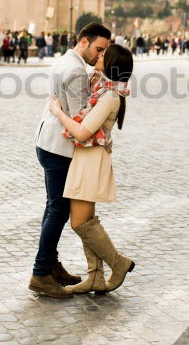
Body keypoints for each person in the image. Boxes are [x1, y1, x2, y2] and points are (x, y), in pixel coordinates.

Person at [29, 22, 112, 299]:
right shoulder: (77, 70)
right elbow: (81, 116)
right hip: (60, 147)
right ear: (85, 41)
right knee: (58, 212)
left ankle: (50, 265)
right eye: (98, 49)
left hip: (47, 141)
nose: (99, 55)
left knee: (52, 208)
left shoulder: (65, 60)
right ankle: (41, 273)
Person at [46, 42, 136, 295]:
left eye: (104, 54)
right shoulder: (103, 87)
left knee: (79, 223)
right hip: (87, 159)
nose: (99, 55)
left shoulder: (109, 96)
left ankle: (118, 264)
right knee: (87, 221)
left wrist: (57, 111)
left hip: (91, 160)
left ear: (111, 64)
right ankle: (95, 276)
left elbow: (83, 131)